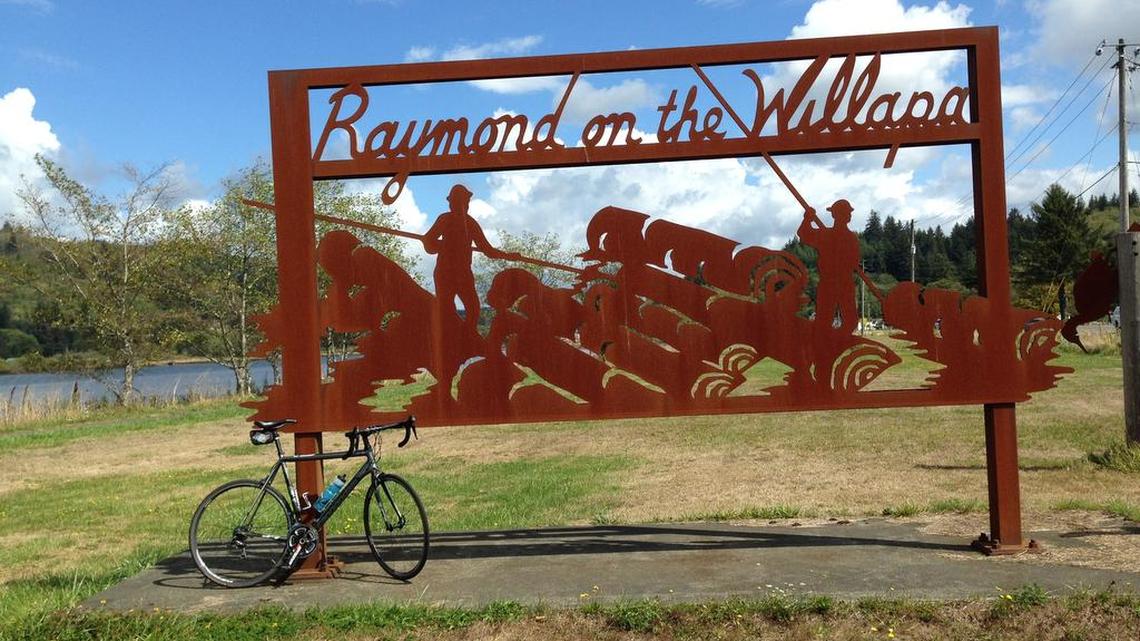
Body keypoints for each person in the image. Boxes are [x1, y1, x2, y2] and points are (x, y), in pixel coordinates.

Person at [422, 184, 518, 330]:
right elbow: (428, 242)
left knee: (473, 308)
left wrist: (507, 256)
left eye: (463, 202)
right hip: (445, 272)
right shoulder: (445, 219)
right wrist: (443, 246)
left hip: (463, 273)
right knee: (446, 308)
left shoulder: (471, 224)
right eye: (456, 202)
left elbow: (487, 249)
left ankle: (468, 334)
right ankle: (450, 337)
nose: (461, 205)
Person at [798, 198, 861, 333]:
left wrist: (808, 220)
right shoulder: (826, 235)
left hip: (844, 282)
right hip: (829, 282)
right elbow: (804, 234)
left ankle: (837, 342)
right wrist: (807, 218)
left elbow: (854, 262)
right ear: (835, 215)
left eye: (849, 213)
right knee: (824, 319)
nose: (849, 216)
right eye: (846, 213)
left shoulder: (849, 238)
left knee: (850, 321)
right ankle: (826, 343)